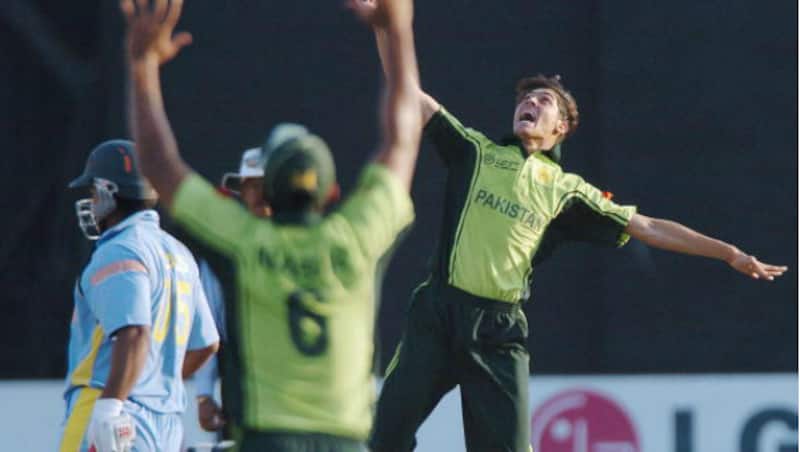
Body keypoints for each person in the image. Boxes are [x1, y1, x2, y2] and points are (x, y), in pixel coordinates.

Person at [355, 3, 790, 451]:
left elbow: (649, 227)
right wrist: (387, 27)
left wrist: (728, 253)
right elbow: (410, 93)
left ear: (560, 128)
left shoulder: (567, 191)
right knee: (383, 436)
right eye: (526, 98)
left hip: (497, 332)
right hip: (439, 315)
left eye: (543, 101)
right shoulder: (476, 152)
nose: (530, 102)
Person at [120, 0, 422, 450]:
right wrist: (398, 29)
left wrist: (143, 65)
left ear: (262, 191)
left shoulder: (243, 239)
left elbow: (160, 166)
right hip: (346, 440)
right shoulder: (357, 236)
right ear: (330, 190)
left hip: (267, 439)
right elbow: (402, 138)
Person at [59, 139, 220, 452]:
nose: (91, 202)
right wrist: (154, 384)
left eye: (92, 192)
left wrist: (111, 405)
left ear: (108, 191)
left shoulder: (118, 250)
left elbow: (133, 333)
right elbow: (206, 343)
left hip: (110, 408)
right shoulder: (179, 253)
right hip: (166, 425)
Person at [193, 146, 269, 435]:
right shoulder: (222, 251)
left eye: (266, 185)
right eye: (250, 186)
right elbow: (208, 327)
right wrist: (204, 394)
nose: (258, 193)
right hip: (239, 387)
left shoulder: (309, 245)